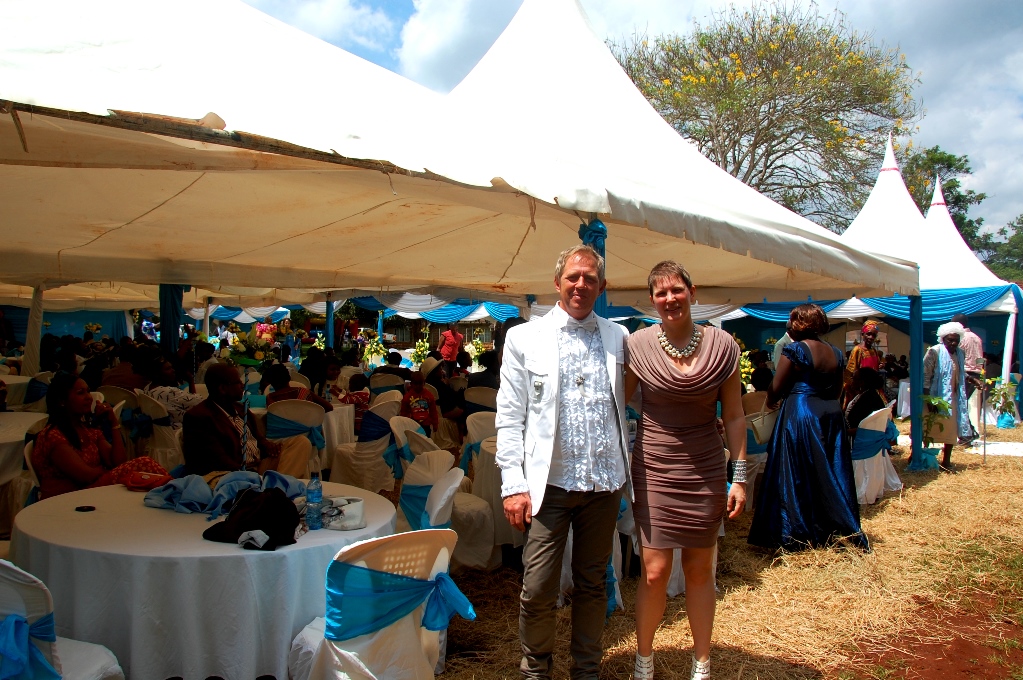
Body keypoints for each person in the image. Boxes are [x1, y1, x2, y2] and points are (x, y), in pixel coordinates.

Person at [496, 244, 631, 679]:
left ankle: (586, 671)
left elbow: (639, 401)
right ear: (558, 283)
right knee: (537, 588)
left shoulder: (619, 338)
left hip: (602, 484)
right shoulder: (524, 337)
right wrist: (513, 484)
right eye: (573, 277)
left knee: (593, 585)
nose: (580, 284)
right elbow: (510, 415)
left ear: (602, 287)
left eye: (590, 278)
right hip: (547, 486)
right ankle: (535, 670)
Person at [623, 260, 746, 680]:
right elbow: (612, 403)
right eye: (661, 292)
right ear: (653, 300)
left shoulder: (724, 344)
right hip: (655, 465)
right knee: (654, 572)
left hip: (707, 466)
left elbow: (733, 414)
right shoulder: (636, 345)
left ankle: (702, 661)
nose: (670, 298)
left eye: (677, 290)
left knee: (699, 569)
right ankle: (644, 659)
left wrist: (740, 476)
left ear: (693, 293)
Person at [748, 303, 868, 552]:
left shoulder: (795, 350)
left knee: (796, 471)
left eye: (793, 320)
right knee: (829, 470)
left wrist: (771, 400)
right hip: (830, 414)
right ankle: (834, 527)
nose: (789, 325)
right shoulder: (836, 352)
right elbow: (838, 391)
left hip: (801, 413)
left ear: (800, 323)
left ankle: (797, 531)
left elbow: (776, 386)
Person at [33, 371, 166, 499]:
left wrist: (114, 423)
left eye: (88, 391)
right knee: (143, 463)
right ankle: (176, 491)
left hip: (91, 490)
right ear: (62, 401)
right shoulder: (53, 436)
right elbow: (85, 475)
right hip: (67, 498)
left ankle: (174, 491)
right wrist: (109, 470)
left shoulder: (87, 430)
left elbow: (118, 461)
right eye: (81, 393)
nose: (89, 397)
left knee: (144, 471)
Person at [182, 363, 307, 477]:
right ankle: (275, 490)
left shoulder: (240, 409)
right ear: (222, 388)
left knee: (301, 442)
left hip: (258, 466)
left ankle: (275, 489)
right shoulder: (199, 417)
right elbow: (216, 461)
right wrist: (246, 473)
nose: (242, 385)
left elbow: (258, 438)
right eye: (237, 382)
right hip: (234, 475)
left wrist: (268, 445)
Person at [923, 321, 973, 469]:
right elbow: (925, 376)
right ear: (942, 338)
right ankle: (922, 457)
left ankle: (946, 461)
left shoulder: (960, 353)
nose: (953, 343)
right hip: (934, 396)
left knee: (951, 431)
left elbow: (960, 373)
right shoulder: (934, 351)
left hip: (953, 398)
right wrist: (929, 400)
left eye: (956, 340)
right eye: (950, 340)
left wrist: (972, 379)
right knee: (927, 427)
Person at [142, 355, 205, 428]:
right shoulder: (169, 392)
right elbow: (201, 403)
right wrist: (191, 380)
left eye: (172, 367)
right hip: (180, 432)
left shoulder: (147, 388)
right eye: (168, 369)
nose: (173, 370)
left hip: (162, 432)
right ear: (157, 374)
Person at [262, 363, 332, 411]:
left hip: (280, 432)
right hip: (305, 430)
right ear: (289, 378)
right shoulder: (303, 392)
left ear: (270, 383)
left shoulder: (270, 398)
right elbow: (329, 407)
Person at [844, 320, 883, 396]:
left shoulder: (874, 350)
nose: (871, 337)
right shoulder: (857, 350)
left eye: (874, 335)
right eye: (868, 334)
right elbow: (850, 372)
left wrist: (880, 365)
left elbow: (876, 365)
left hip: (873, 388)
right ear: (863, 334)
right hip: (862, 389)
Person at [845, 368, 889, 434]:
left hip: (863, 440)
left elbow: (872, 427)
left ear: (862, 382)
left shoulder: (870, 399)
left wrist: (846, 432)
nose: (851, 381)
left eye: (854, 378)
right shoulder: (862, 394)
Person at [952, 313, 984, 398]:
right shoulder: (977, 338)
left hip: (965, 374)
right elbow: (979, 356)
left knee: (959, 401)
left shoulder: (960, 338)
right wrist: (978, 367)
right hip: (976, 374)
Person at [400, 370, 438, 436]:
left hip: (426, 424)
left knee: (426, 441)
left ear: (424, 383)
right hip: (412, 424)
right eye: (416, 383)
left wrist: (435, 423)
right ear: (411, 383)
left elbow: (433, 411)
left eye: (420, 383)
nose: (418, 386)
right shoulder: (407, 397)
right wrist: (404, 424)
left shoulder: (429, 395)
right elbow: (404, 412)